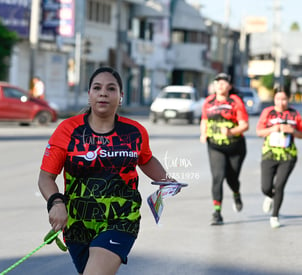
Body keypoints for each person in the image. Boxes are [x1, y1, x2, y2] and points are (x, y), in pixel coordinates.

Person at [38, 66, 177, 274]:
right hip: (78, 225)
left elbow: (146, 160)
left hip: (121, 221)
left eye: (111, 89)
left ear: (120, 96)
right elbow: (45, 177)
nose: (103, 93)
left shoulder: (135, 132)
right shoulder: (68, 130)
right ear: (89, 95)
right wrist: (56, 202)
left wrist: (167, 180)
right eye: (97, 88)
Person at [200, 73, 249, 225]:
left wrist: (231, 132)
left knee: (232, 178)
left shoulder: (235, 101)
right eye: (217, 82)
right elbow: (204, 120)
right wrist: (203, 133)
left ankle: (236, 193)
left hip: (235, 146)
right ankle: (217, 212)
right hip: (215, 146)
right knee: (217, 177)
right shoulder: (209, 101)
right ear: (214, 86)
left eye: (224, 82)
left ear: (229, 86)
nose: (220, 85)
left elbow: (245, 125)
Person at [256, 87, 302, 228]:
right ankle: (269, 196)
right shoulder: (268, 112)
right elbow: (259, 131)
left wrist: (292, 131)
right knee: (266, 187)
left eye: (283, 99)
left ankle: (275, 215)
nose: (281, 102)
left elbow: (301, 133)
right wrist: (271, 129)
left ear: (288, 99)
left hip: (288, 155)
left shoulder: (294, 114)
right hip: (269, 154)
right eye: (277, 99)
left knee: (280, 185)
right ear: (274, 99)